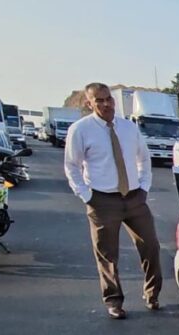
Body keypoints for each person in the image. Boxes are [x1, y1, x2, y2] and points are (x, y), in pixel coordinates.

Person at [64, 82, 161, 320]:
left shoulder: (129, 128)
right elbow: (71, 166)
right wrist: (87, 196)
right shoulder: (80, 130)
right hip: (102, 200)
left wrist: (144, 187)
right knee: (107, 254)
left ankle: (152, 293)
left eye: (109, 99)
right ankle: (114, 300)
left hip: (135, 198)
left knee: (151, 246)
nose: (106, 104)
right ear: (89, 103)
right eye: (100, 100)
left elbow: (144, 160)